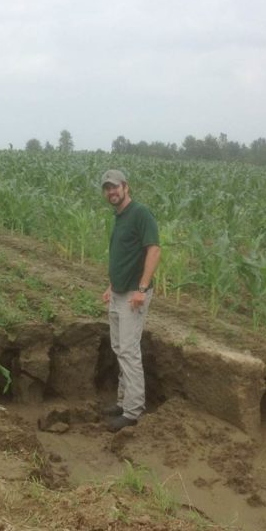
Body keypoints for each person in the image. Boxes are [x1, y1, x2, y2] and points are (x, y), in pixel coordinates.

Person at [100, 169, 161, 431]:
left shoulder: (140, 214)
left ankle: (133, 411)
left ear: (126, 186)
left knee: (128, 350)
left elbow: (154, 249)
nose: (111, 192)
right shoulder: (120, 217)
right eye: (107, 188)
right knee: (119, 348)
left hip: (133, 296)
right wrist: (111, 285)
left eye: (115, 187)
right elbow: (124, 255)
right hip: (118, 293)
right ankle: (123, 401)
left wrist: (142, 288)